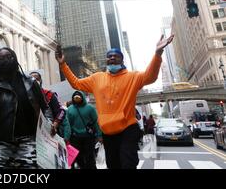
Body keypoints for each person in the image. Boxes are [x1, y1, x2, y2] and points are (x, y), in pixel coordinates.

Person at [55, 34, 174, 169]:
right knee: (113, 165)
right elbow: (76, 83)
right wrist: (63, 64)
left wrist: (158, 54)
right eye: (109, 56)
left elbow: (150, 77)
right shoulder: (96, 78)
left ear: (121, 60)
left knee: (128, 164)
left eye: (115, 55)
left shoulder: (133, 77)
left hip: (127, 130)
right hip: (108, 133)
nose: (112, 57)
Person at [66, 90, 102, 169]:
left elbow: (96, 122)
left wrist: (100, 135)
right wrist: (67, 137)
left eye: (79, 97)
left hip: (88, 137)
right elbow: (68, 124)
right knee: (78, 157)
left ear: (82, 97)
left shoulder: (90, 108)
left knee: (90, 157)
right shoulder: (70, 110)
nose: (77, 98)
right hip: (75, 138)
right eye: (75, 97)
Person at [30, 71, 66, 136]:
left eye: (37, 79)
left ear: (40, 81)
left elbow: (61, 111)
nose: (34, 82)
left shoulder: (49, 94)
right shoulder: (25, 98)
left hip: (49, 131)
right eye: (31, 80)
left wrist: (55, 124)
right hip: (32, 133)